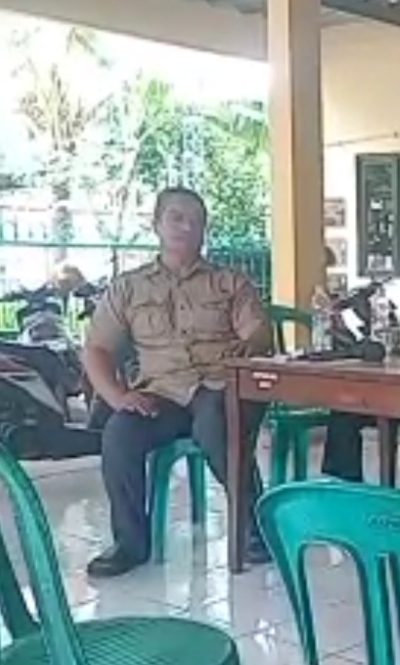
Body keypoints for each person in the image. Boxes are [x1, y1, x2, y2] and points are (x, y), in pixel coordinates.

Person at [82, 187, 272, 578]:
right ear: (156, 225)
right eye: (177, 218)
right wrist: (118, 397)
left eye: (196, 220)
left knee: (216, 419)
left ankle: (255, 527)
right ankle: (130, 544)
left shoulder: (229, 283)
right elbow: (97, 349)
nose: (187, 227)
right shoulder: (128, 287)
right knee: (120, 432)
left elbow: (259, 334)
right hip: (162, 394)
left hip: (220, 386)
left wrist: (249, 344)